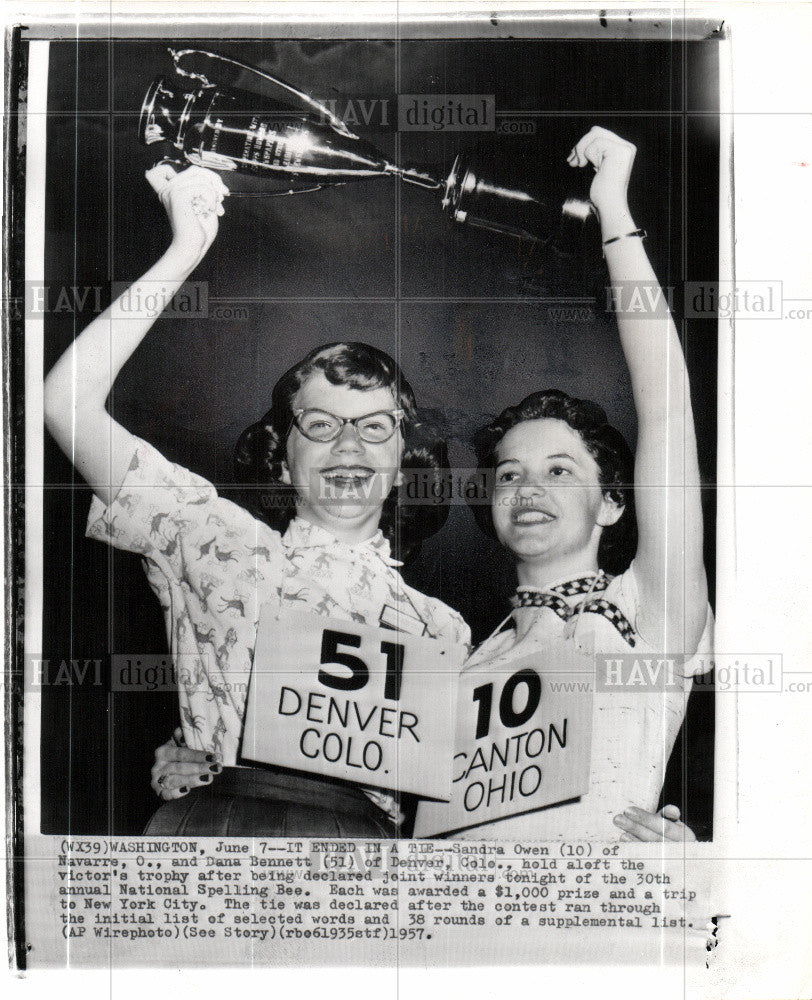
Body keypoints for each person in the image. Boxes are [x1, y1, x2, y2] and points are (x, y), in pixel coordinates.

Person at [44, 163, 470, 837]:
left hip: (367, 854)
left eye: (375, 427)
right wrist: (186, 249)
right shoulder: (207, 530)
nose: (349, 446)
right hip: (218, 824)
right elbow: (65, 404)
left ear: (403, 460)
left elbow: (453, 817)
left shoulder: (441, 630)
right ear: (283, 454)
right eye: (321, 426)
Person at [458, 127, 712, 842]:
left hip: (588, 925)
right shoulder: (467, 654)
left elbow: (664, 401)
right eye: (510, 473)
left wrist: (614, 212)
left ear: (613, 501)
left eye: (559, 470)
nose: (527, 488)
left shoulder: (647, 609)